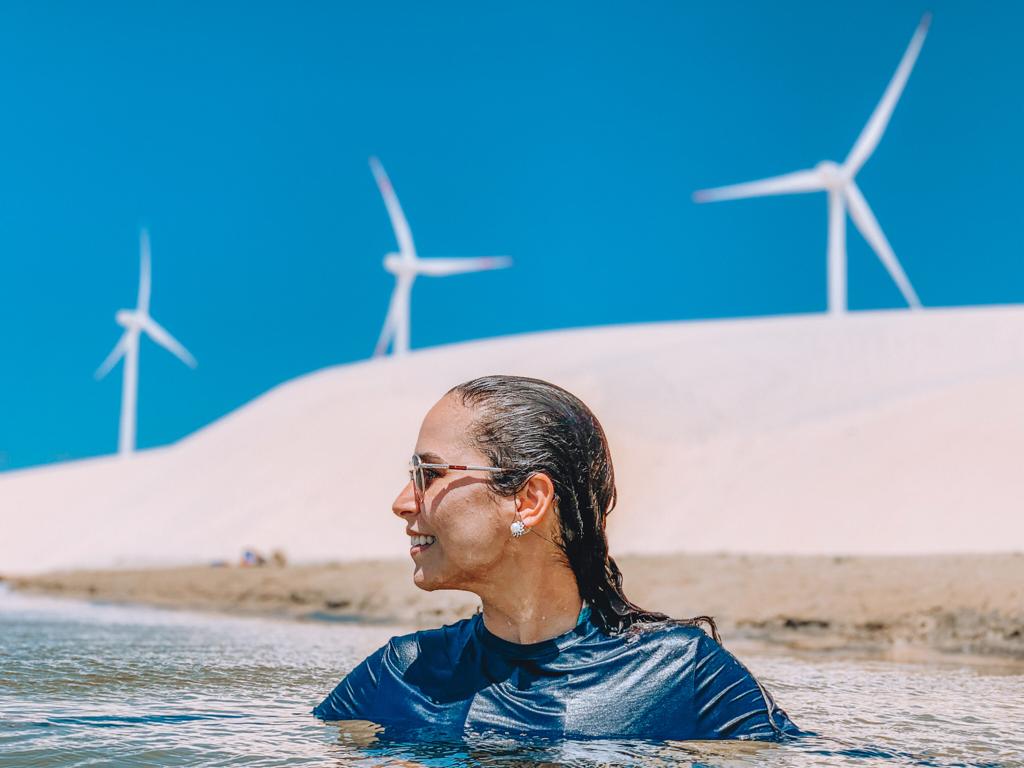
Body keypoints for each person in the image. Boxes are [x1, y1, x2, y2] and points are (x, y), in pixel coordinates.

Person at [314, 375, 801, 741]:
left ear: (528, 501)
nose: (402, 502)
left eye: (430, 474)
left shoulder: (682, 675)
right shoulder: (399, 674)